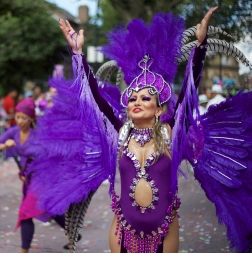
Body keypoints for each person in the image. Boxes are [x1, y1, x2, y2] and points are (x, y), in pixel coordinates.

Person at [25, 7, 252, 253]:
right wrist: (78, 54)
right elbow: (95, 100)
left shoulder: (170, 134)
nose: (136, 102)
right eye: (132, 98)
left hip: (164, 233)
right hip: (123, 231)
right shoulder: (120, 134)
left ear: (158, 108)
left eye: (145, 98)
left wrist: (200, 47)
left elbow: (188, 92)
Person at [0, 98, 70, 253]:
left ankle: (24, 250)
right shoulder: (13, 132)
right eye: (18, 117)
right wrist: (4, 145)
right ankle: (72, 231)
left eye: (25, 118)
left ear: (31, 118)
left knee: (26, 212)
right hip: (27, 177)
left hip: (42, 177)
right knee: (49, 209)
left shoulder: (38, 135)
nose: (20, 121)